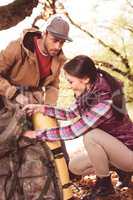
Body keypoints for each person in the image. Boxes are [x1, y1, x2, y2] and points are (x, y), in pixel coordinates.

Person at [23, 55, 133, 199]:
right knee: (75, 166)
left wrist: (37, 134)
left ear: (85, 79)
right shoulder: (90, 90)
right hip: (115, 149)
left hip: (129, 153)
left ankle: (105, 185)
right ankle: (120, 171)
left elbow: (73, 131)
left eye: (71, 81)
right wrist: (42, 108)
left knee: (91, 135)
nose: (70, 85)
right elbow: (69, 113)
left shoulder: (105, 99)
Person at [0, 16, 72, 106]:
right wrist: (13, 94)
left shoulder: (58, 59)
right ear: (45, 34)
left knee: (47, 119)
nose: (58, 46)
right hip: (5, 94)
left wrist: (49, 107)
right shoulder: (17, 47)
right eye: (55, 40)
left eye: (62, 42)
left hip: (32, 101)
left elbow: (53, 85)